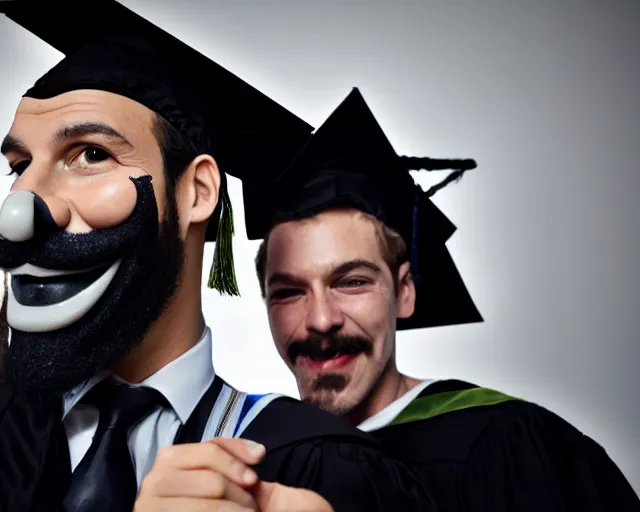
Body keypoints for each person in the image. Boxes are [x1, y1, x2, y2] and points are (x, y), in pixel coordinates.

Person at [0, 2, 436, 511]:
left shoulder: (317, 472)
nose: (18, 212)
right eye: (19, 166)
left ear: (199, 192)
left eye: (91, 154)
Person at [246, 87, 640, 511]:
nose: (321, 320)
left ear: (405, 291)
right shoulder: (256, 468)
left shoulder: (515, 446)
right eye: (289, 292)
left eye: (352, 282)